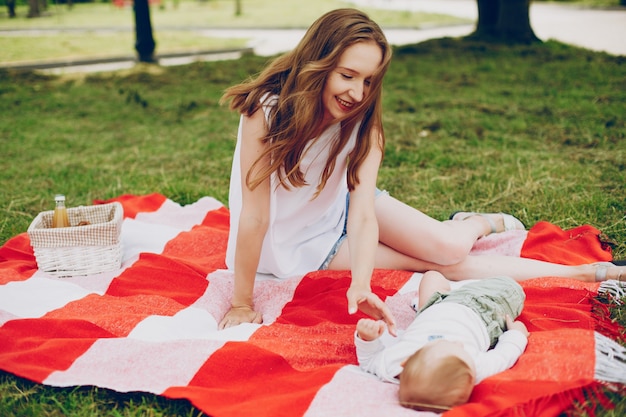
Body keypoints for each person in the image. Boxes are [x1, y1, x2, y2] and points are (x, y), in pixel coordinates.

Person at [218, 8, 624, 330]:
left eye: (369, 80)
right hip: (304, 242)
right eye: (347, 75)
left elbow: (361, 214)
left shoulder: (362, 123)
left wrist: (362, 282)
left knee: (447, 247)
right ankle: (587, 273)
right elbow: (255, 216)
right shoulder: (265, 111)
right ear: (318, 62)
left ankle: (478, 225)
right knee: (443, 264)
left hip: (345, 208)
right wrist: (241, 303)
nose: (357, 93)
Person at [355, 271, 529, 412]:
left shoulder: (391, 364)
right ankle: (464, 286)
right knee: (511, 287)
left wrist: (366, 338)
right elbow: (505, 353)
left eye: (448, 344)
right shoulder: (475, 368)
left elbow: (369, 360)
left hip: (431, 308)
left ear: (406, 362)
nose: (459, 344)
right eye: (463, 350)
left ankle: (451, 289)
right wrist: (516, 333)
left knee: (432, 276)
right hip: (480, 311)